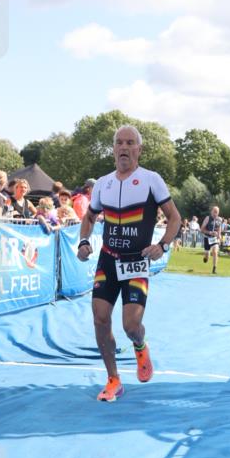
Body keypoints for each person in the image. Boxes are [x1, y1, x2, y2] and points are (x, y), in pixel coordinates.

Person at [77, 124, 181, 403]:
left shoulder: (151, 180)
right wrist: (83, 242)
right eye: (119, 142)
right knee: (100, 318)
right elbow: (89, 217)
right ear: (113, 148)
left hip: (137, 262)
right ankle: (113, 379)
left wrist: (162, 245)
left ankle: (140, 345)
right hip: (108, 261)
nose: (124, 147)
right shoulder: (103, 183)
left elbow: (175, 218)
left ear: (139, 149)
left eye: (129, 143)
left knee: (131, 326)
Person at [201, 205, 222, 275]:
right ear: (211, 212)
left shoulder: (219, 219)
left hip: (214, 239)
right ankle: (206, 257)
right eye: (214, 212)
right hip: (207, 237)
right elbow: (202, 229)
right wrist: (210, 232)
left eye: (217, 212)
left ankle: (214, 268)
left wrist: (219, 235)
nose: (215, 213)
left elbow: (219, 228)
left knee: (215, 251)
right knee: (207, 255)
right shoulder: (207, 218)